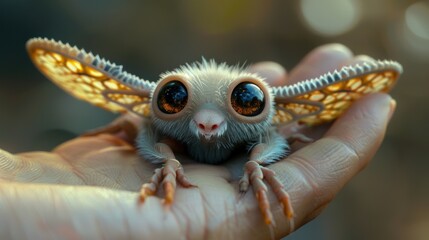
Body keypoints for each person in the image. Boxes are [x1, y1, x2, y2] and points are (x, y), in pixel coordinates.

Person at [0, 44, 396, 239]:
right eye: (174, 100)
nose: (207, 123)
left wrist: (259, 158)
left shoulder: (272, 123)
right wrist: (165, 157)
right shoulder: (154, 122)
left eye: (246, 101)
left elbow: (272, 134)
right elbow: (147, 127)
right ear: (155, 101)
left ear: (265, 103)